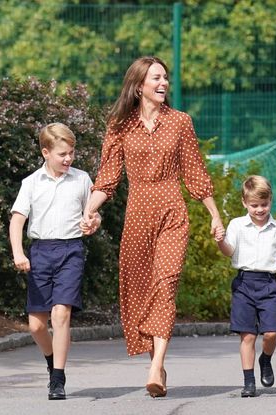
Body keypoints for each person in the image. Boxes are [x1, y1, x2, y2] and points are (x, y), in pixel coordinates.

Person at [82, 56, 224, 398]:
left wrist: (215, 215)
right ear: (139, 85)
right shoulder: (120, 126)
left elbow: (195, 172)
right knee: (143, 291)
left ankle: (155, 365)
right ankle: (156, 361)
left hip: (172, 212)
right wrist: (89, 211)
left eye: (166, 78)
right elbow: (108, 178)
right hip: (137, 216)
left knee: (167, 283)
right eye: (156, 78)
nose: (163, 83)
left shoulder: (180, 122)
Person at [9, 123, 100, 400]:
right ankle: (51, 361)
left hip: (71, 250)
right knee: (36, 324)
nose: (68, 158)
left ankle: (57, 379)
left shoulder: (82, 179)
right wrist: (18, 253)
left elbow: (93, 214)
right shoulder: (31, 183)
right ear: (45, 152)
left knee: (61, 313)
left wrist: (93, 222)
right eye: (62, 154)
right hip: (40, 252)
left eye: (71, 152)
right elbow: (17, 221)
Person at [216, 175, 276, 397]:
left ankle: (266, 359)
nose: (260, 209)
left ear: (270, 200)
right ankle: (249, 382)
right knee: (248, 335)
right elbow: (229, 251)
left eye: (264, 204)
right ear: (245, 203)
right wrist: (220, 241)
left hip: (268, 284)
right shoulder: (237, 225)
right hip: (244, 284)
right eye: (254, 205)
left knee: (271, 332)